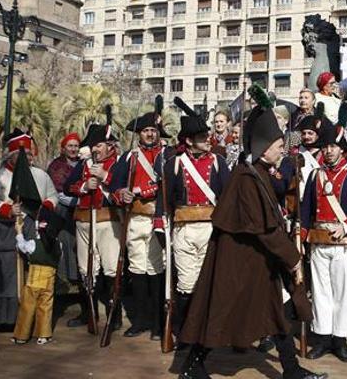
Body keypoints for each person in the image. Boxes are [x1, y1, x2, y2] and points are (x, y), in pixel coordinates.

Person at [178, 100, 326, 379]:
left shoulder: (259, 173)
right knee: (222, 313)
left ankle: (292, 371)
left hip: (257, 262)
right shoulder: (247, 178)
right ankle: (192, 365)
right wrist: (293, 259)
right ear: (263, 147)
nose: (282, 149)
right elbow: (264, 229)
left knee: (278, 313)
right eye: (278, 145)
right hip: (239, 264)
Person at [301, 118, 347, 363]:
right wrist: (302, 238)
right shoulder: (315, 176)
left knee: (343, 293)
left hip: (344, 244)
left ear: (342, 149)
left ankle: (340, 341)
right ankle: (322, 337)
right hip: (319, 242)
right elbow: (306, 210)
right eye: (325, 147)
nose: (328, 151)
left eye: (333, 146)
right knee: (320, 292)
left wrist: (346, 227)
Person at [164, 98, 230, 342]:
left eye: (207, 135)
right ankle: (184, 332)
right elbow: (166, 201)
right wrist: (163, 230)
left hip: (211, 229)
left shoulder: (218, 162)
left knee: (209, 282)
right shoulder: (174, 164)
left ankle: (207, 329)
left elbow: (227, 198)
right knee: (186, 284)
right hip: (183, 229)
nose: (208, 140)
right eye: (202, 137)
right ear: (189, 141)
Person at [110, 97, 171, 340]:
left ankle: (158, 324)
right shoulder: (129, 157)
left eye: (152, 131)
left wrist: (138, 190)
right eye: (145, 131)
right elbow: (114, 186)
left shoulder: (167, 155)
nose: (149, 135)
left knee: (156, 271)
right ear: (139, 134)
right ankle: (140, 321)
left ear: (158, 133)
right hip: (135, 218)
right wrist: (121, 194)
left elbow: (165, 186)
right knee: (137, 271)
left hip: (156, 218)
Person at [0, 130, 58, 330]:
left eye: (29, 154)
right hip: (7, 229)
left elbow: (53, 196)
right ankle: (7, 318)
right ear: (12, 155)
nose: (27, 157)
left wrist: (47, 206)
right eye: (22, 154)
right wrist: (8, 209)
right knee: (8, 272)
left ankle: (32, 315)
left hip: (32, 227)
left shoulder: (40, 175)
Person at [63, 114, 123, 330]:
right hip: (84, 221)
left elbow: (121, 187)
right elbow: (66, 186)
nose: (95, 150)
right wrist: (83, 186)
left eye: (98, 145)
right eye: (93, 146)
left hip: (108, 220)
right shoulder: (84, 164)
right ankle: (89, 314)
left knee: (110, 270)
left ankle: (113, 316)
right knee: (86, 271)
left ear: (109, 145)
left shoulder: (119, 163)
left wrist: (106, 177)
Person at [12, 201, 65, 345]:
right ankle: (44, 334)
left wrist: (19, 232)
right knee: (46, 306)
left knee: (27, 306)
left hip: (35, 277)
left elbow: (22, 246)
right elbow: (59, 259)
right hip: (50, 279)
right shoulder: (59, 245)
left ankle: (22, 335)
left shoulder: (35, 244)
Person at [46, 132, 81, 313]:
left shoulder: (84, 164)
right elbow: (57, 192)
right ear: (64, 148)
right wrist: (77, 202)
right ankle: (66, 279)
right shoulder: (56, 166)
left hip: (82, 210)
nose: (74, 149)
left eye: (76, 146)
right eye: (70, 146)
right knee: (66, 241)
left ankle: (80, 279)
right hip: (63, 211)